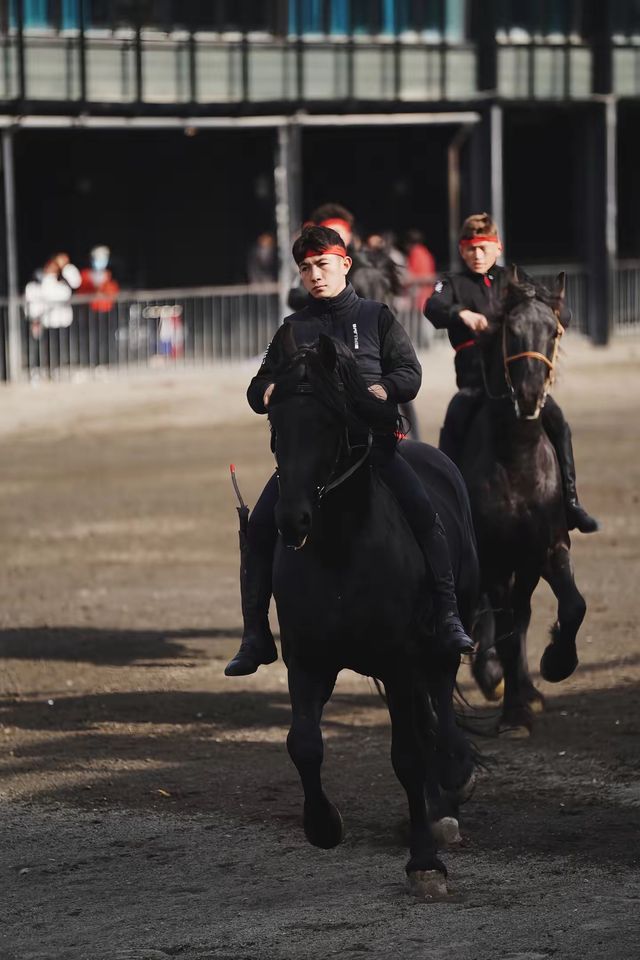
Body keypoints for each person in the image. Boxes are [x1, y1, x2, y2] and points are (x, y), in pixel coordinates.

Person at [225, 225, 474, 677]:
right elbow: (257, 385)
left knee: (424, 513)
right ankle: (255, 635)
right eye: (305, 269)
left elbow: (409, 373)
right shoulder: (291, 329)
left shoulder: (377, 316)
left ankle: (448, 613)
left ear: (344, 264)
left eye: (322, 265)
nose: (314, 275)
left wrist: (380, 388)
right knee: (259, 527)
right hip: (308, 462)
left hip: (374, 451)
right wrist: (269, 391)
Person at [423, 212, 598, 534]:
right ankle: (445, 509)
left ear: (498, 248)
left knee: (558, 423)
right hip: (476, 386)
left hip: (520, 386)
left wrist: (555, 312)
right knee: (453, 426)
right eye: (471, 248)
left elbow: (559, 311)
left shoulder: (515, 280)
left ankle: (571, 503)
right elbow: (432, 307)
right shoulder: (452, 283)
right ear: (462, 250)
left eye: (484, 247)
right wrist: (461, 313)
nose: (478, 255)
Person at [24, 252, 81, 339]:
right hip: (45, 326)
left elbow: (76, 282)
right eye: (50, 264)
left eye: (55, 265)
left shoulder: (64, 286)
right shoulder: (34, 285)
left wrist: (66, 266)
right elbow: (29, 305)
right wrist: (34, 320)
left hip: (62, 326)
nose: (51, 267)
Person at [78, 245, 120, 313]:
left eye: (103, 258)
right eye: (97, 258)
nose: (100, 261)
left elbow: (114, 292)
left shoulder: (109, 275)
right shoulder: (85, 274)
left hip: (106, 310)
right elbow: (81, 292)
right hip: (90, 311)